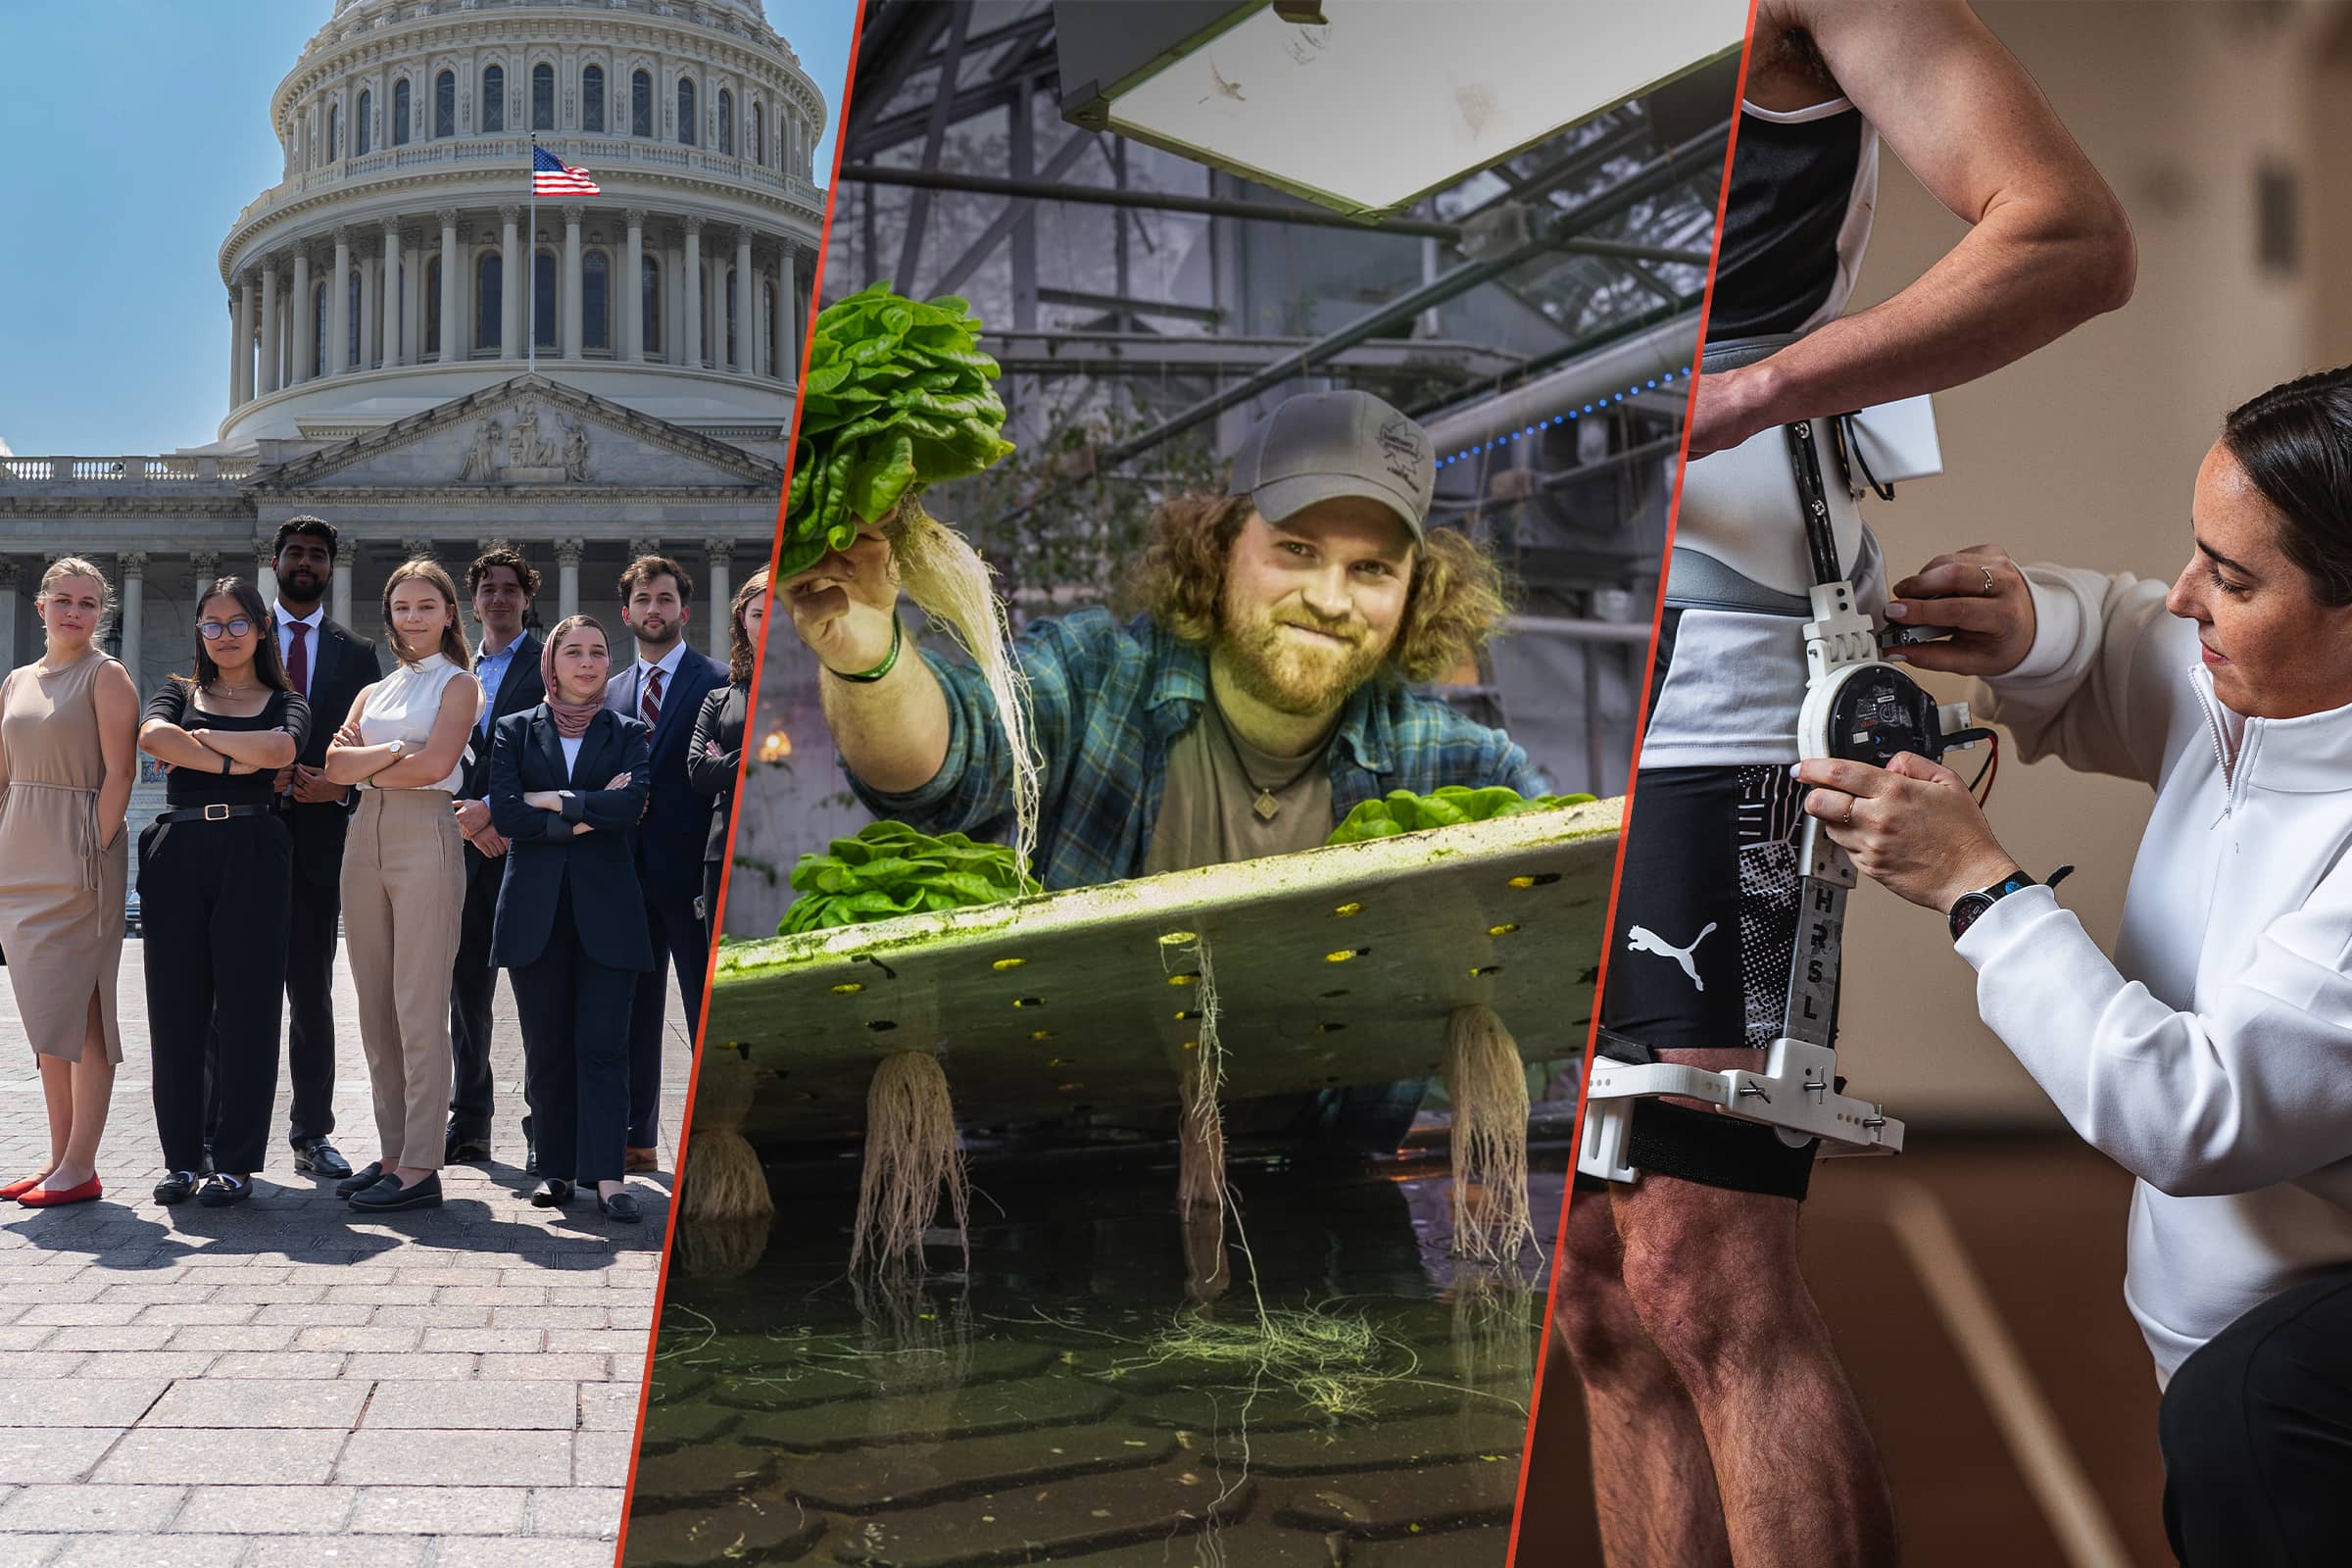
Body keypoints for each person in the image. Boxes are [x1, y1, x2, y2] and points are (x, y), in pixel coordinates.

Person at [1546, 5, 2137, 1562]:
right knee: (1590, 1288)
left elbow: (2070, 234)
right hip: (1507, 649)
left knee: (1699, 1264)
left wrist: (1753, 393)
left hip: (1714, 660)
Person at [1792, 368, 2352, 1566]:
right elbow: (2126, 639)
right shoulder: (2264, 688)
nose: (2190, 596)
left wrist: (1979, 890)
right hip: (2230, 1364)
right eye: (2198, 553)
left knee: (2249, 1416)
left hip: (2303, 1388)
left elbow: (2196, 1113)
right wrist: (2032, 619)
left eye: (2236, 580)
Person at [785, 388, 1542, 890]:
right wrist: (871, 659)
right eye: (1297, 550)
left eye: (1371, 568)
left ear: (1417, 592)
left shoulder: (1465, 771)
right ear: (1219, 545)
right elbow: (946, 762)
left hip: (1330, 1138)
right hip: (1082, 1124)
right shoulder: (1096, 684)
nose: (1330, 598)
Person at [135, 579, 309, 1206]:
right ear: (199, 632)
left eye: (238, 624)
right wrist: (245, 760)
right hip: (177, 849)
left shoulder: (285, 699)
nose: (225, 635)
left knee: (249, 1012)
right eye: (211, 624)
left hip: (255, 850)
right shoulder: (176, 690)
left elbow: (283, 748)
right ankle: (182, 1158)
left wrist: (200, 744)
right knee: (176, 1012)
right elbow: (154, 740)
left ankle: (235, 1161)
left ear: (261, 629)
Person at [324, 559, 480, 1212]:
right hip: (364, 840)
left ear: (449, 613)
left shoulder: (459, 685)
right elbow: (334, 767)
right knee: (375, 1009)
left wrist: (373, 760)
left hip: (426, 837)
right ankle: (391, 1153)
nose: (412, 618)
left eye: (426, 606)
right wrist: (392, 759)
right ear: (387, 616)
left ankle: (421, 1165)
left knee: (419, 1006)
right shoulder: (373, 691)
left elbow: (438, 766)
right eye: (401, 607)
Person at [491, 615, 654, 1223]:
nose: (586, 663)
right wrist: (589, 810)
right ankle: (555, 1170)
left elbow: (632, 803)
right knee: (547, 1047)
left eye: (597, 652)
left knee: (605, 1048)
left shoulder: (629, 730)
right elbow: (506, 813)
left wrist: (553, 802)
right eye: (574, 652)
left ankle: (608, 1177)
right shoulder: (513, 729)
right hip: (535, 911)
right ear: (552, 663)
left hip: (608, 911)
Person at [0, 559, 136, 1207]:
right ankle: (58, 1159)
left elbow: (121, 773)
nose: (74, 611)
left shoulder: (106, 676)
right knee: (43, 1014)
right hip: (20, 855)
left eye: (87, 602)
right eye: (63, 599)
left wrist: (94, 844)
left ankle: (81, 1163)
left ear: (100, 612)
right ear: (41, 607)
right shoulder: (16, 681)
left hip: (81, 852)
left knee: (84, 1013)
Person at [267, 516, 382, 1183]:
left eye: (316, 555)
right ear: (276, 560)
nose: (305, 563)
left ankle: (311, 1132)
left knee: (311, 995)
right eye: (295, 553)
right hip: (247, 835)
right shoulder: (242, 636)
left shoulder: (357, 654)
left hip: (319, 842)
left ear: (330, 567)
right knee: (229, 994)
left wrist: (336, 790)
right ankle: (220, 1134)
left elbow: (364, 745)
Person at [605, 556, 724, 1173]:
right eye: (644, 600)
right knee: (635, 1013)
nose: (655, 610)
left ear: (685, 609)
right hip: (627, 874)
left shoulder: (719, 683)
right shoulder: (613, 691)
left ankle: (718, 1133)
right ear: (626, 614)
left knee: (705, 1006)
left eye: (666, 599)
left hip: (693, 873)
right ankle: (636, 1138)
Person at [446, 548, 546, 1166]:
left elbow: (550, 744)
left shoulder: (547, 664)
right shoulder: (454, 666)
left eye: (511, 589)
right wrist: (465, 818)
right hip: (462, 848)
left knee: (535, 994)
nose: (500, 599)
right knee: (466, 996)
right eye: (489, 589)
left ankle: (544, 1125)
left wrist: (498, 814)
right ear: (473, 600)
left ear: (526, 598)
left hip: (524, 847)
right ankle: (471, 1121)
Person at [688, 568, 766, 944]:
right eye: (759, 614)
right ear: (743, 619)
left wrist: (728, 760)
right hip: (724, 855)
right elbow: (699, 772)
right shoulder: (719, 699)